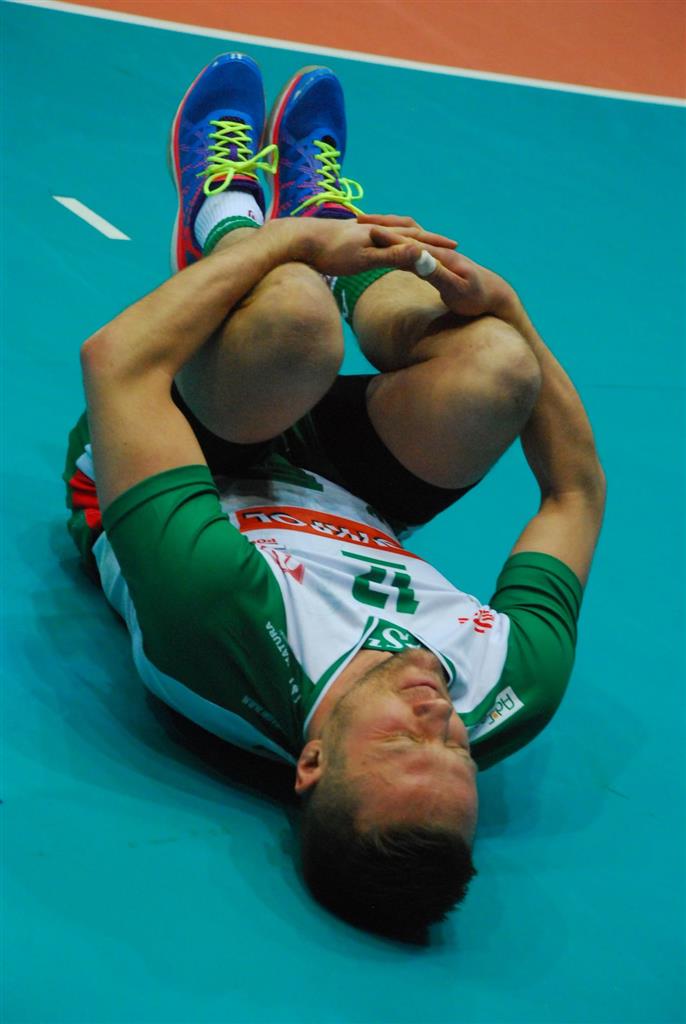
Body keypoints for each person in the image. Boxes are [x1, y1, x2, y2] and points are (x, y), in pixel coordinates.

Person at [64, 54, 606, 943]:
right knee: (500, 368)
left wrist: (288, 248)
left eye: (403, 740)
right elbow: (574, 494)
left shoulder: (222, 626)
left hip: (182, 452)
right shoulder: (507, 694)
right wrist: (509, 308)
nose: (438, 716)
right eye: (458, 751)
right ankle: (338, 222)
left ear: (311, 762)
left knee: (293, 319)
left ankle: (224, 215)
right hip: (343, 489)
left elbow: (116, 364)